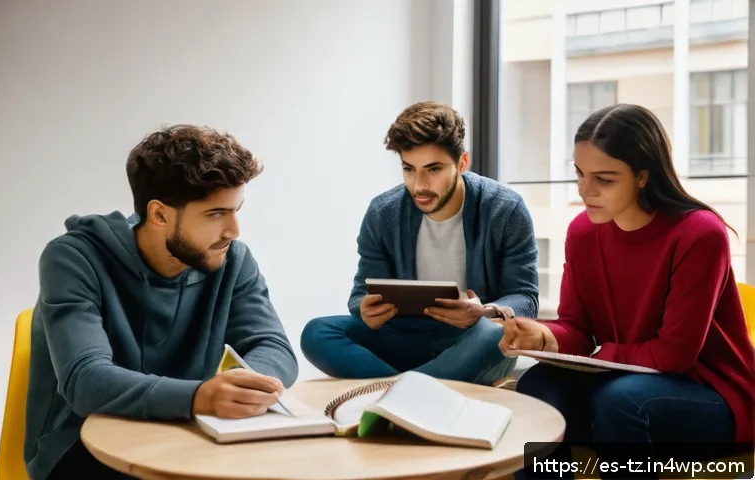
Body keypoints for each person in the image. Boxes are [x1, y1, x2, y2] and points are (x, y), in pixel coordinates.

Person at [24, 125, 299, 480]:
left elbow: (272, 345)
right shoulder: (74, 258)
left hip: (187, 433)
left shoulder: (233, 260)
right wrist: (198, 397)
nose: (233, 230)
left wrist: (249, 387)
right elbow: (85, 380)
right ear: (159, 215)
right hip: (81, 443)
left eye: (236, 210)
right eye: (215, 214)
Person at [500, 104, 755, 478]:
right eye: (580, 174)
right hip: (621, 384)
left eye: (604, 179)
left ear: (642, 176)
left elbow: (674, 356)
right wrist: (544, 337)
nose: (586, 190)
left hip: (712, 397)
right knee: (537, 385)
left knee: (619, 400)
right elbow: (576, 326)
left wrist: (601, 353)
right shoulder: (583, 233)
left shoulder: (700, 234)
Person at [300, 101, 539, 386]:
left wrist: (484, 310)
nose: (419, 185)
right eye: (409, 169)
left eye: (433, 169)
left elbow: (525, 297)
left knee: (496, 333)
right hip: (403, 334)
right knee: (317, 332)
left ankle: (393, 391)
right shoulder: (383, 212)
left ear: (462, 163)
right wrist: (365, 310)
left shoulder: (506, 209)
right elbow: (360, 293)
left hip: (470, 337)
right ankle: (411, 390)